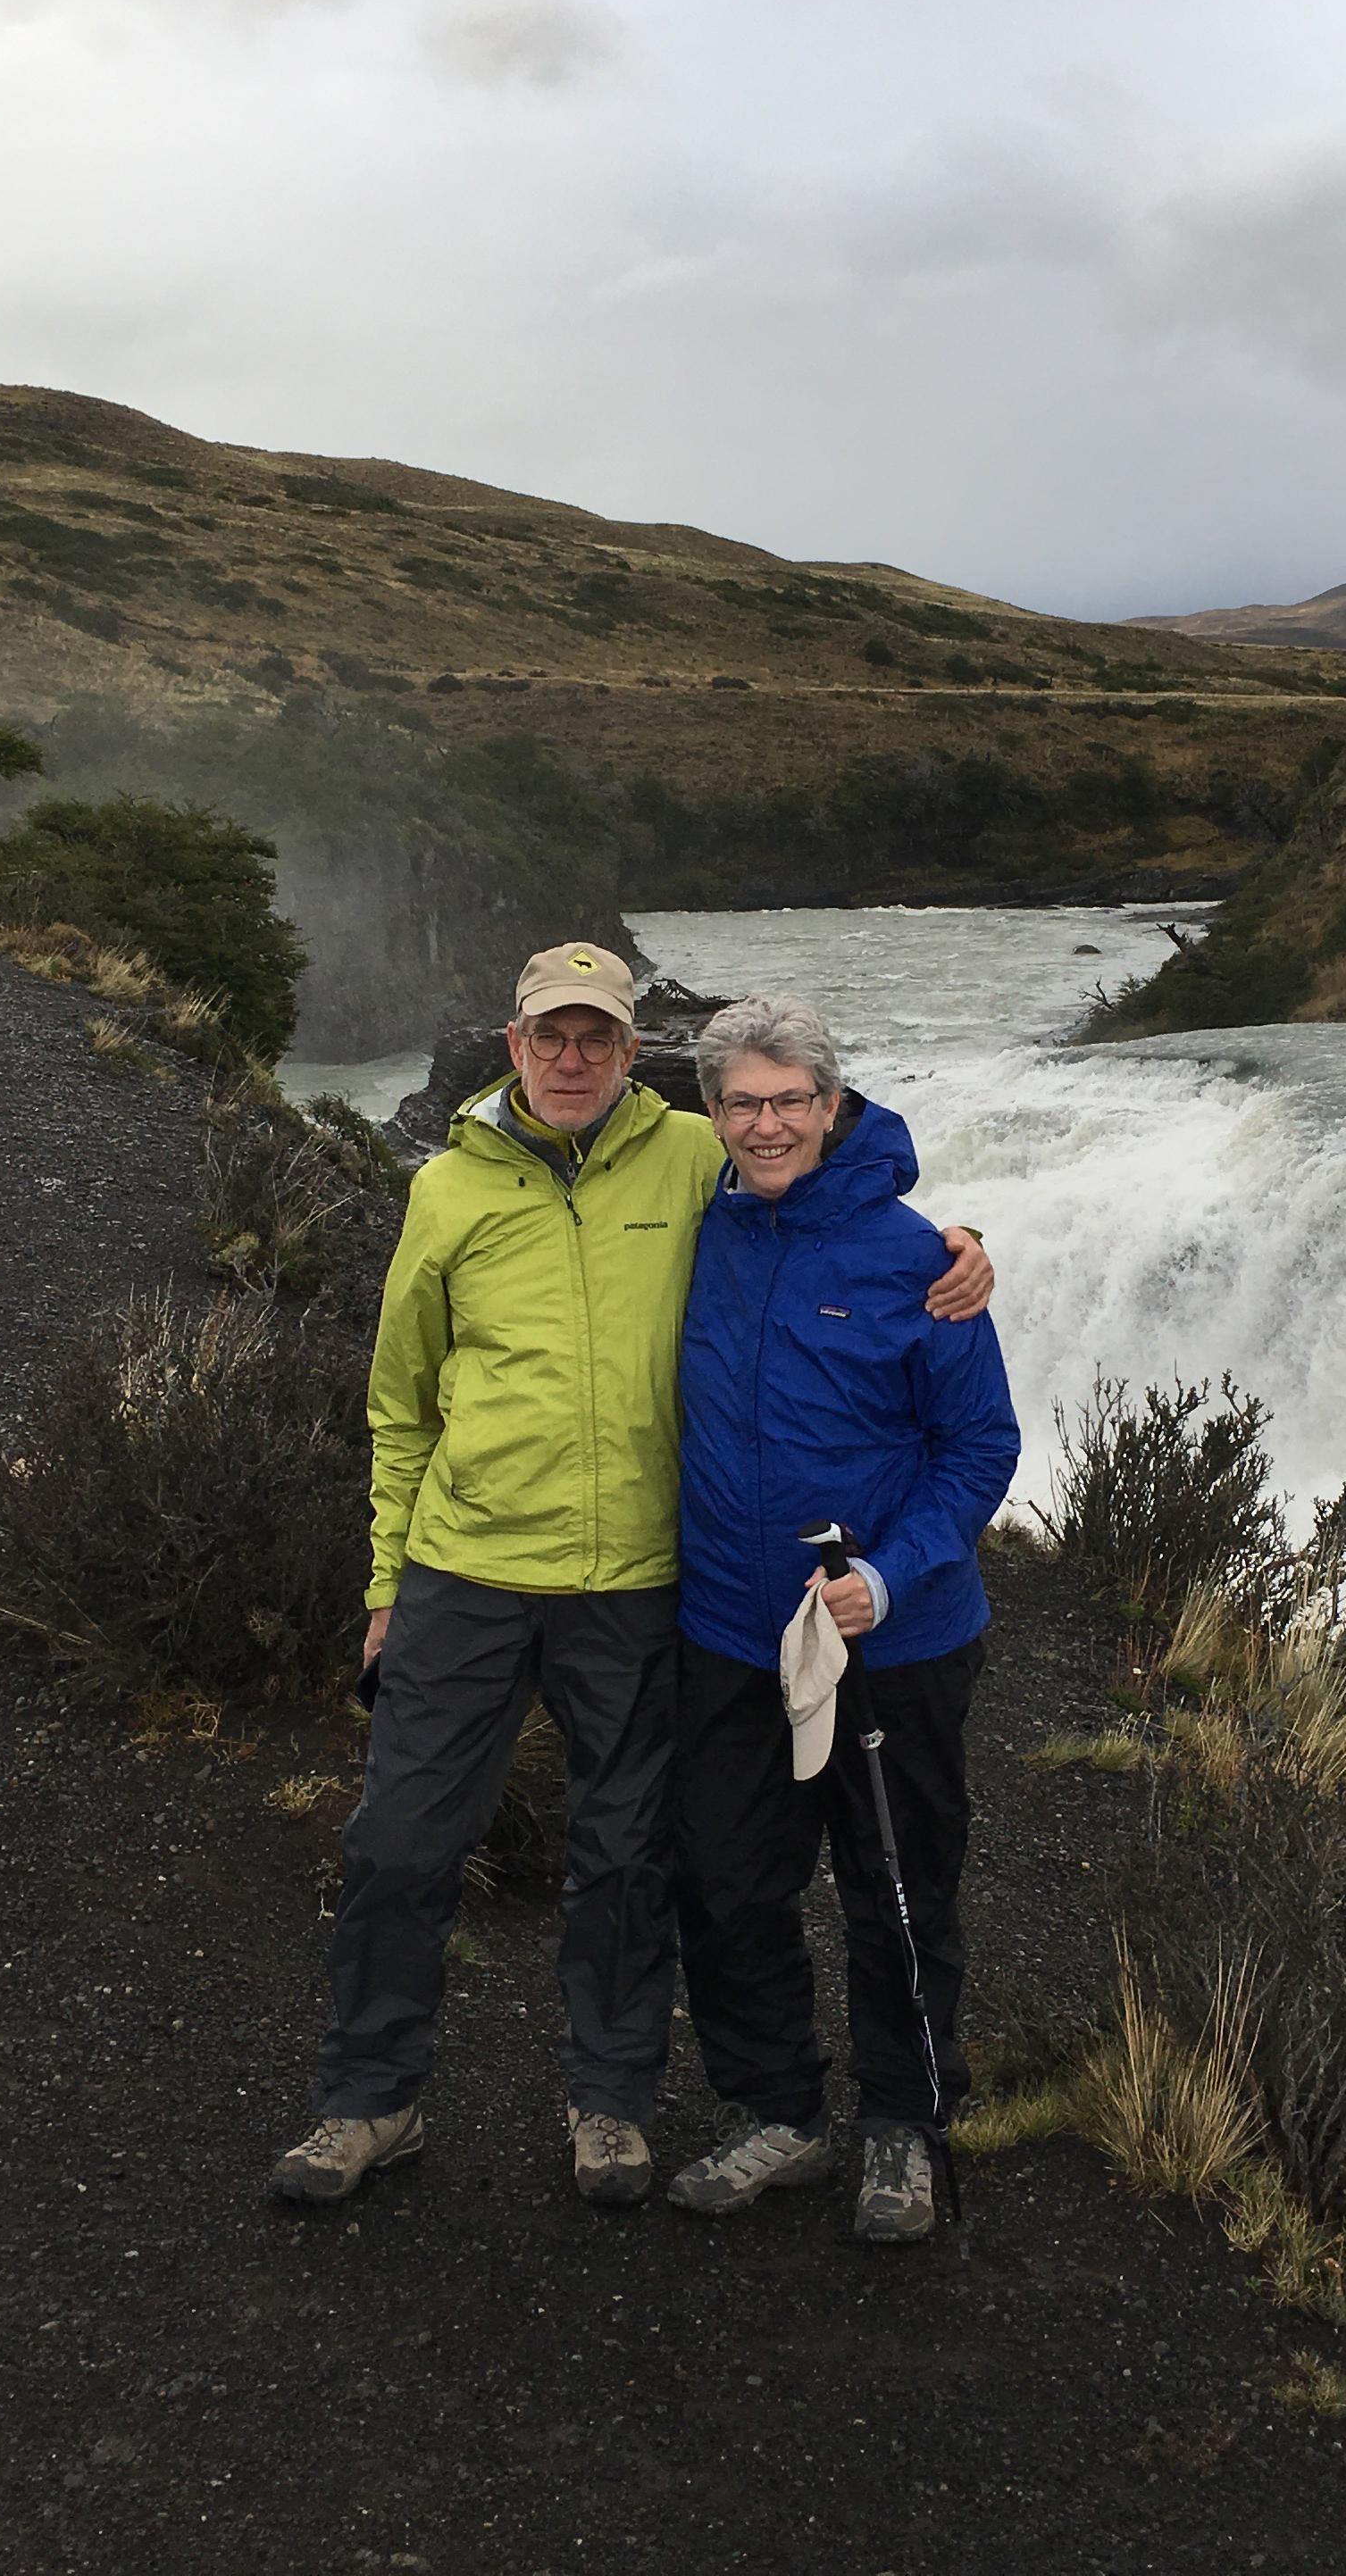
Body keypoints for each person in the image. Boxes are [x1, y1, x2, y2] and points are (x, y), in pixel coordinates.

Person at [269, 945, 992, 2209]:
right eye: (550, 1036)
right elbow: (398, 1402)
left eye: (597, 1036)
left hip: (703, 1593)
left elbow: (840, 1172)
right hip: (536, 1578)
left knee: (694, 1862)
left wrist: (960, 1243)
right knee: (446, 1849)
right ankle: (388, 2100)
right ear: (514, 1044)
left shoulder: (725, 1173)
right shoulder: (464, 1186)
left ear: (631, 1052)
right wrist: (386, 1584)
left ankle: (691, 2110)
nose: (573, 1057)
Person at [666, 995, 1019, 2244]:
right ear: (712, 1114)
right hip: (729, 1629)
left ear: (831, 1105)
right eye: (742, 1103)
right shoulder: (697, 1228)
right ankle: (780, 2110)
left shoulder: (921, 1260)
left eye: (789, 1101)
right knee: (726, 1880)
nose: (766, 1125)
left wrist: (893, 1574)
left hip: (892, 1639)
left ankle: (904, 2124)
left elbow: (980, 1446)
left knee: (899, 1888)